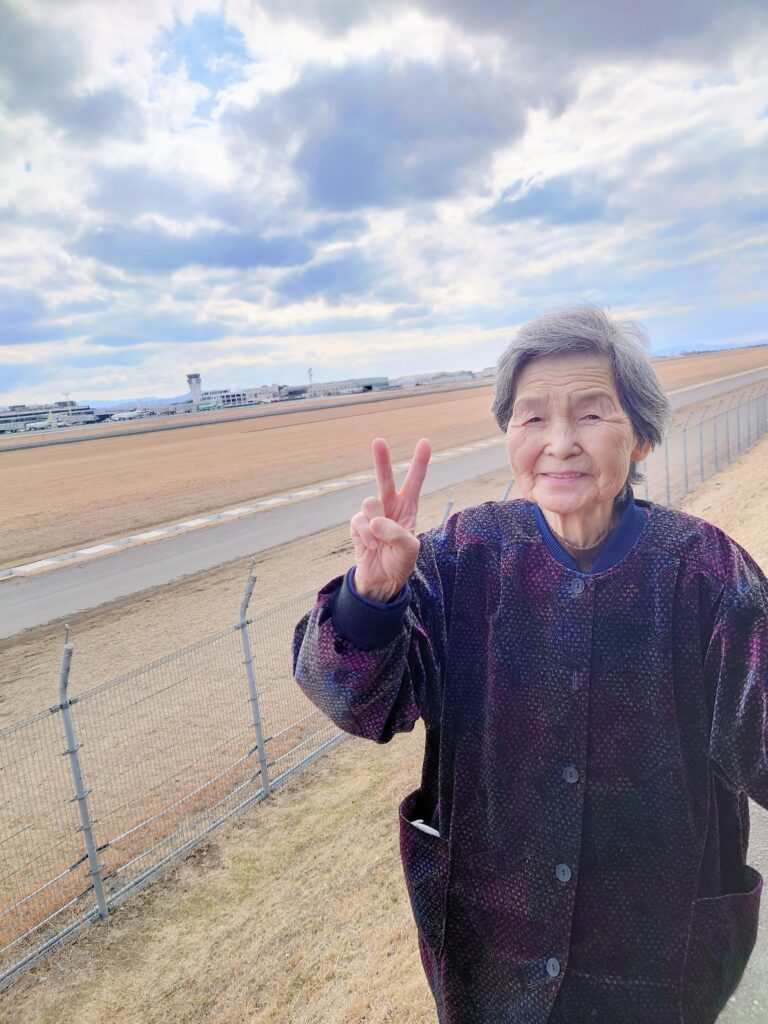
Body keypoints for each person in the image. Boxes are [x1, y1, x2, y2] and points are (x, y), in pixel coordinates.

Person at [291, 305, 767, 1024]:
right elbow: (355, 702)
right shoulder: (462, 557)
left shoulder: (702, 572)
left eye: (591, 414)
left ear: (640, 436)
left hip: (660, 961)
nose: (560, 443)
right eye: (533, 418)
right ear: (509, 436)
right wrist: (371, 598)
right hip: (491, 959)